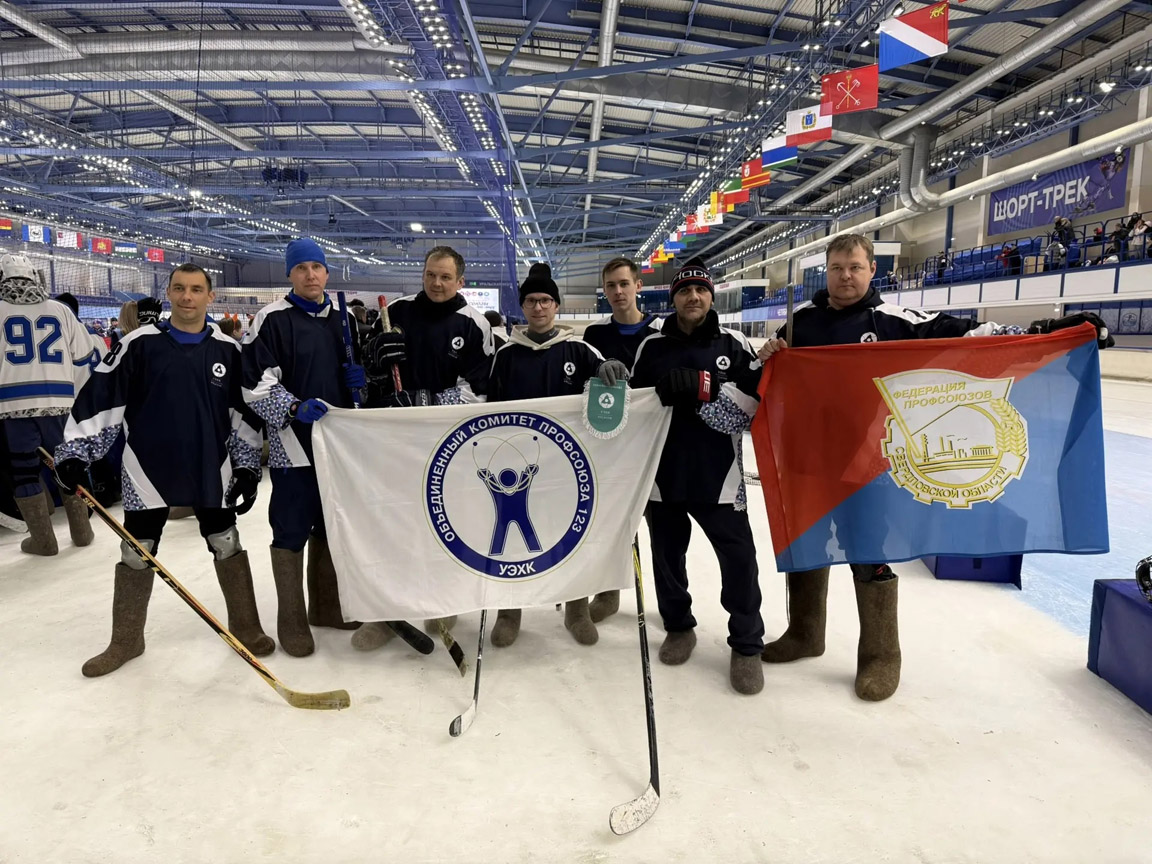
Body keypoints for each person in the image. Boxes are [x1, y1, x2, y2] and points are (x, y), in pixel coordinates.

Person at [757, 233, 1112, 702]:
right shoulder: (800, 321)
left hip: (865, 468)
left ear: (872, 270)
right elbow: (768, 374)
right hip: (808, 460)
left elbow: (970, 334)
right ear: (827, 270)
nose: (845, 276)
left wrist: (1045, 329)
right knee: (806, 544)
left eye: (855, 267)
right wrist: (768, 355)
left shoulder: (894, 320)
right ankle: (805, 633)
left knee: (869, 553)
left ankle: (881, 655)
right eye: (837, 267)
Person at [55, 263, 269, 676]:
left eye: (196, 289)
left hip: (212, 468)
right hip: (146, 469)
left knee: (226, 541)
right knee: (136, 551)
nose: (187, 297)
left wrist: (246, 467)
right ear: (168, 293)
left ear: (210, 296)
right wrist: (75, 453)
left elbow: (243, 415)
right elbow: (102, 397)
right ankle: (126, 640)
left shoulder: (229, 350)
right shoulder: (137, 344)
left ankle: (246, 626)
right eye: (179, 288)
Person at [630, 258, 766, 696]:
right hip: (663, 474)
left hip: (719, 477)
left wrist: (705, 389)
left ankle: (747, 644)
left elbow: (750, 408)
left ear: (711, 295)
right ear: (674, 298)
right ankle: (678, 626)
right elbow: (632, 407)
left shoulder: (734, 343)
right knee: (667, 558)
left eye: (701, 290)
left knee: (740, 561)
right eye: (685, 291)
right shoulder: (651, 346)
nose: (693, 297)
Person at [353, 246, 494, 650]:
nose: (436, 283)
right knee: (391, 525)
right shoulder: (394, 313)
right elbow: (366, 377)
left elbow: (479, 392)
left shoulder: (474, 324)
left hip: (448, 447)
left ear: (460, 281)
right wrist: (373, 366)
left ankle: (441, 602)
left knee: (442, 525)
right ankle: (387, 613)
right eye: (431, 274)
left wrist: (423, 401)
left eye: (446, 277)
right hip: (394, 444)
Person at [483, 263, 628, 648]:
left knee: (570, 540)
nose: (539, 307)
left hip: (567, 469)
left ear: (556, 305)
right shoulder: (507, 355)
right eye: (531, 300)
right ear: (522, 307)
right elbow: (487, 413)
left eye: (546, 300)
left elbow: (608, 390)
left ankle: (576, 609)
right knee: (513, 542)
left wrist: (609, 369)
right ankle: (509, 611)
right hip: (516, 468)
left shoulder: (579, 350)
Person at [241, 239, 366, 656]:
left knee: (332, 524)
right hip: (292, 446)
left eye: (317, 267)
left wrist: (361, 381)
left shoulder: (345, 320)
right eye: (301, 268)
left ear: (327, 273)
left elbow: (359, 384)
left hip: (339, 445)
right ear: (289, 274)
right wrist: (293, 407)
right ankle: (291, 619)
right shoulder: (271, 319)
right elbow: (255, 384)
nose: (310, 275)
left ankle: (326, 607)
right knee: (291, 528)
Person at [0, 254, 102, 555]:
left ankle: (43, 540)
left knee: (24, 473)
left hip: (11, 407)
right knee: (69, 466)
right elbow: (84, 354)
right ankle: (82, 531)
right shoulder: (60, 309)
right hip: (59, 403)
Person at [579, 256, 661, 623]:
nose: (617, 291)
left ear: (638, 286)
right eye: (610, 286)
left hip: (655, 446)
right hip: (611, 447)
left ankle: (675, 607)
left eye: (624, 284)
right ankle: (607, 592)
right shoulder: (594, 336)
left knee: (662, 531)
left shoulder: (660, 331)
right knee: (609, 524)